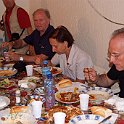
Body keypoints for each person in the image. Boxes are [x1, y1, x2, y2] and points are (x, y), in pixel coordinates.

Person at [84, 28, 124, 98]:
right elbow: (107, 80)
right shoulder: (118, 65)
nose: (111, 60)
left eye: (116, 55)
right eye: (110, 54)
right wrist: (96, 78)